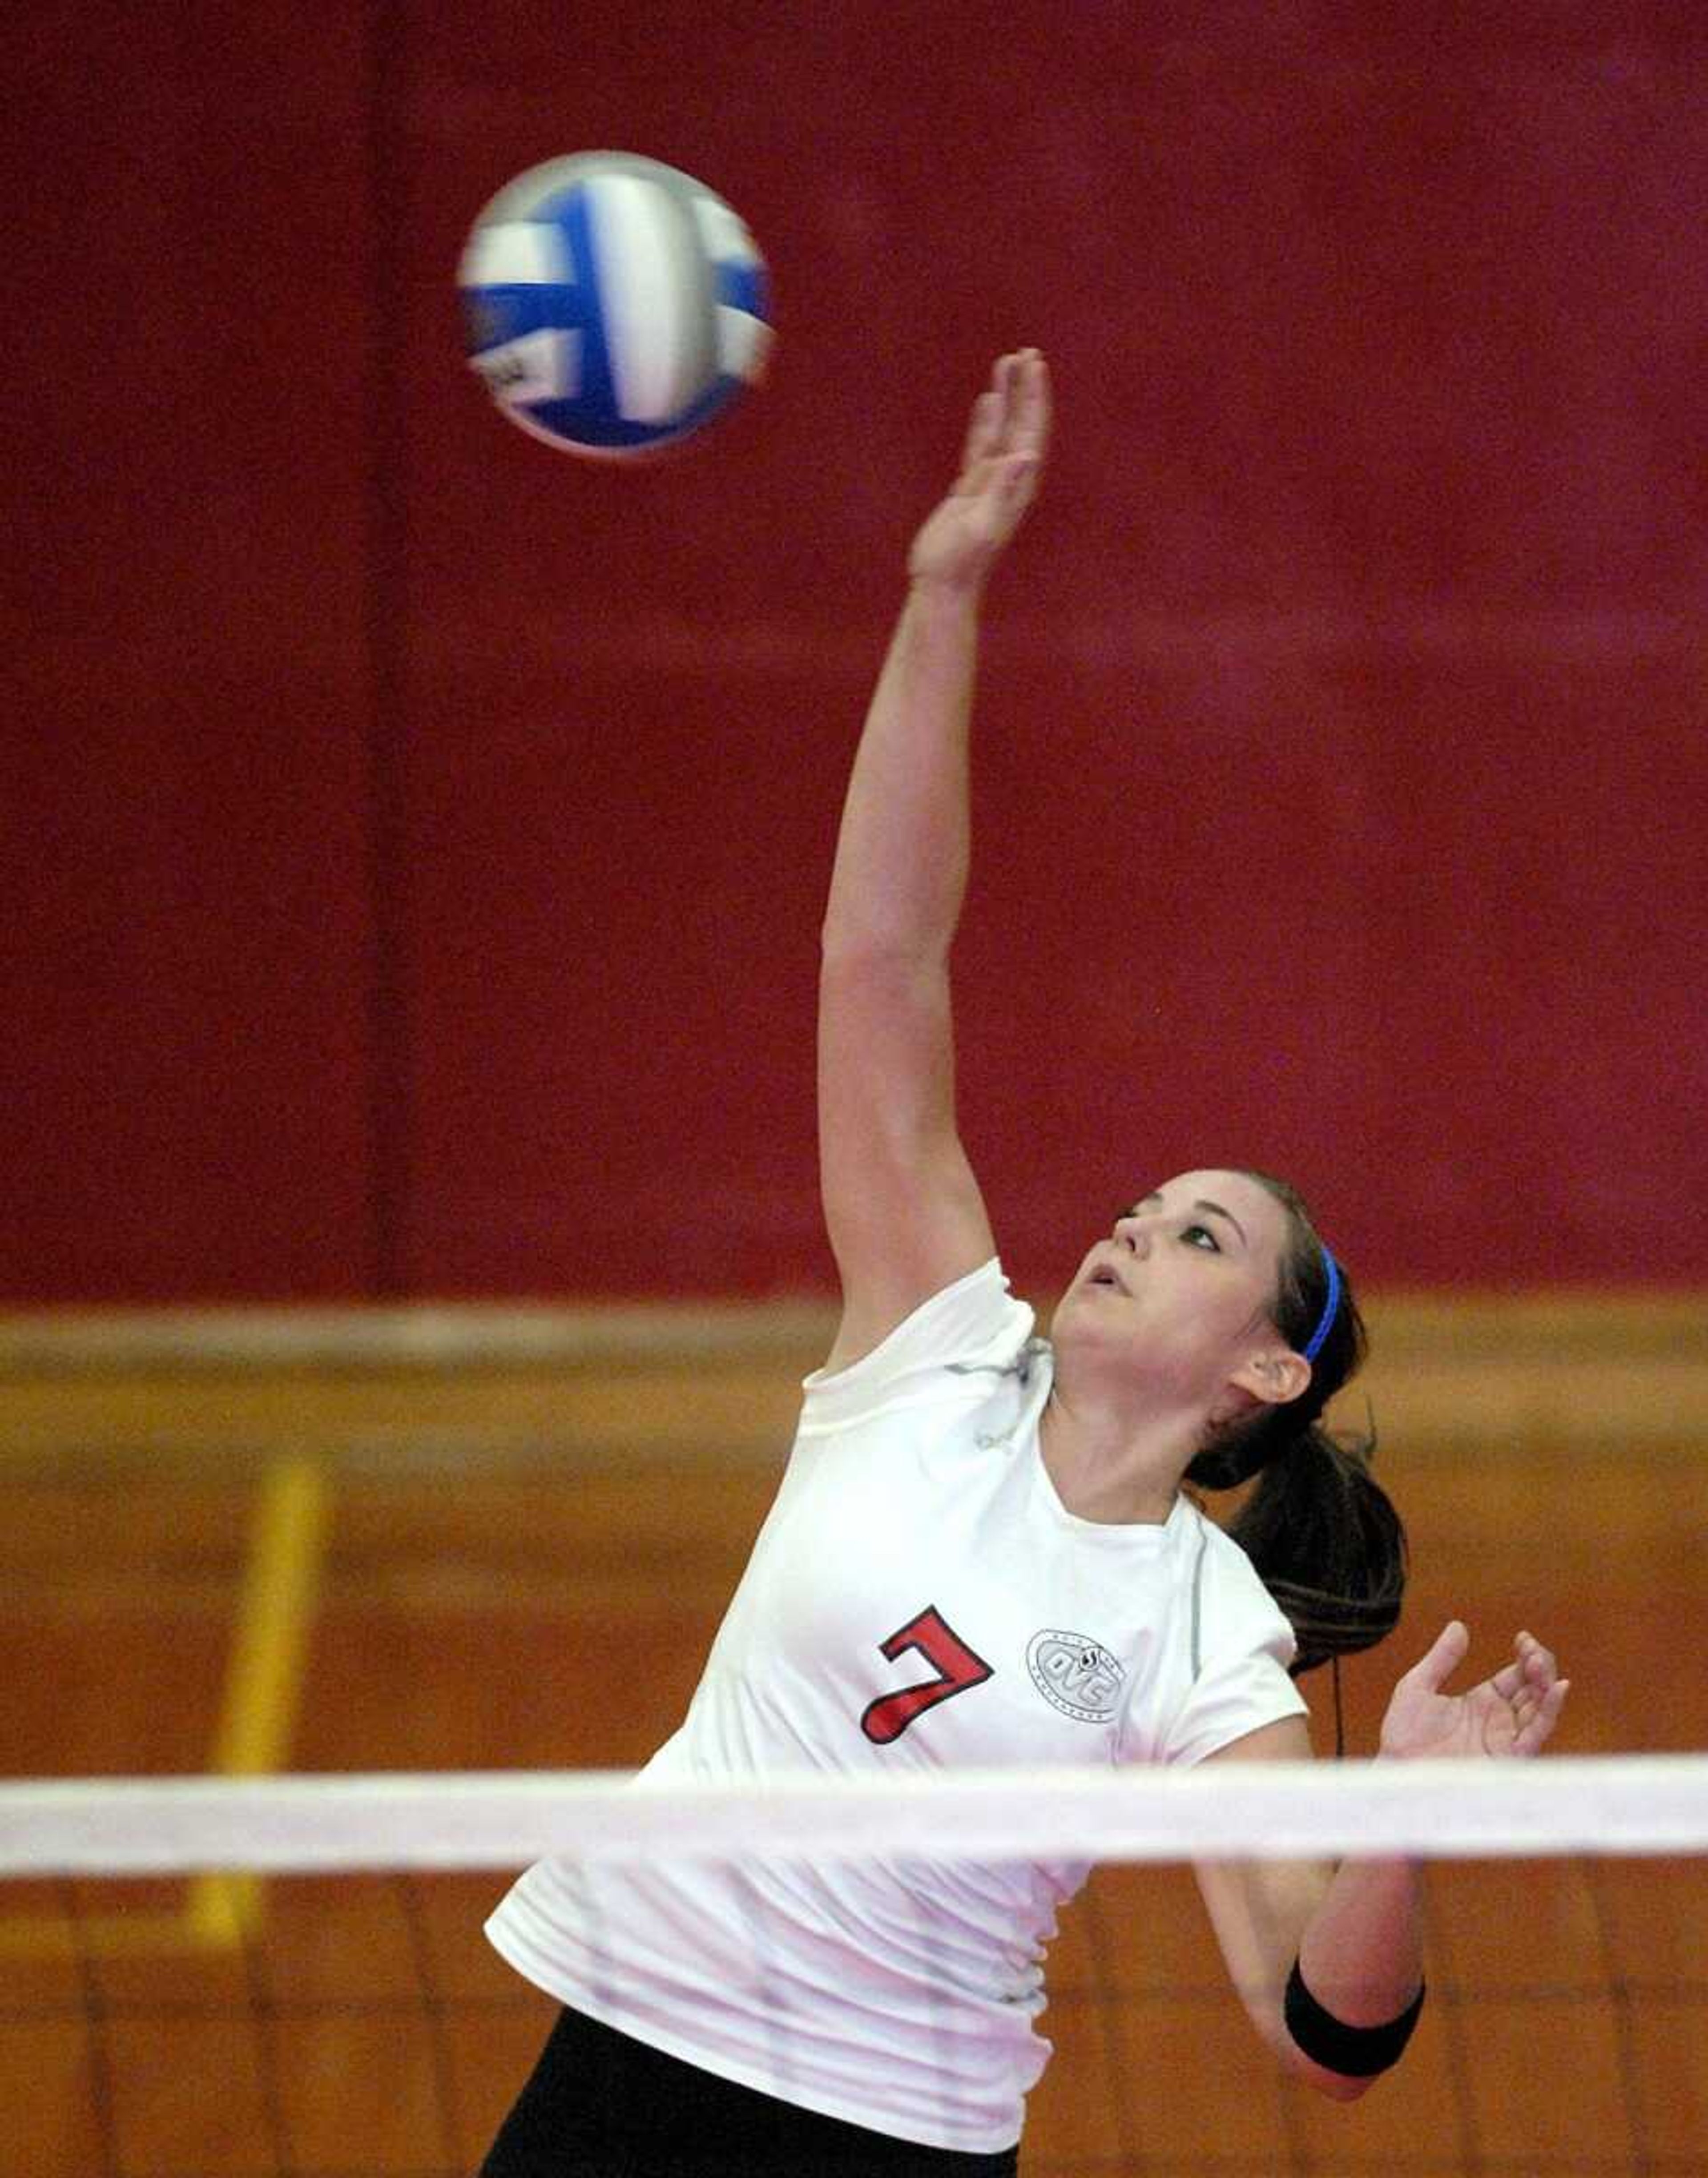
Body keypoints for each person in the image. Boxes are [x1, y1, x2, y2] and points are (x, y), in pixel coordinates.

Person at [479, 350, 1569, 2176]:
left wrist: (1412, 1826)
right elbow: (881, 957)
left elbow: (1321, 2024)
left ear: (1263, 1371)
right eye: (1147, 1202)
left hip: (890, 2138)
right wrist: (942, 595)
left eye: (1201, 1232)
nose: (1136, 1223)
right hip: (619, 2059)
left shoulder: (1204, 1629)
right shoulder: (930, 1344)